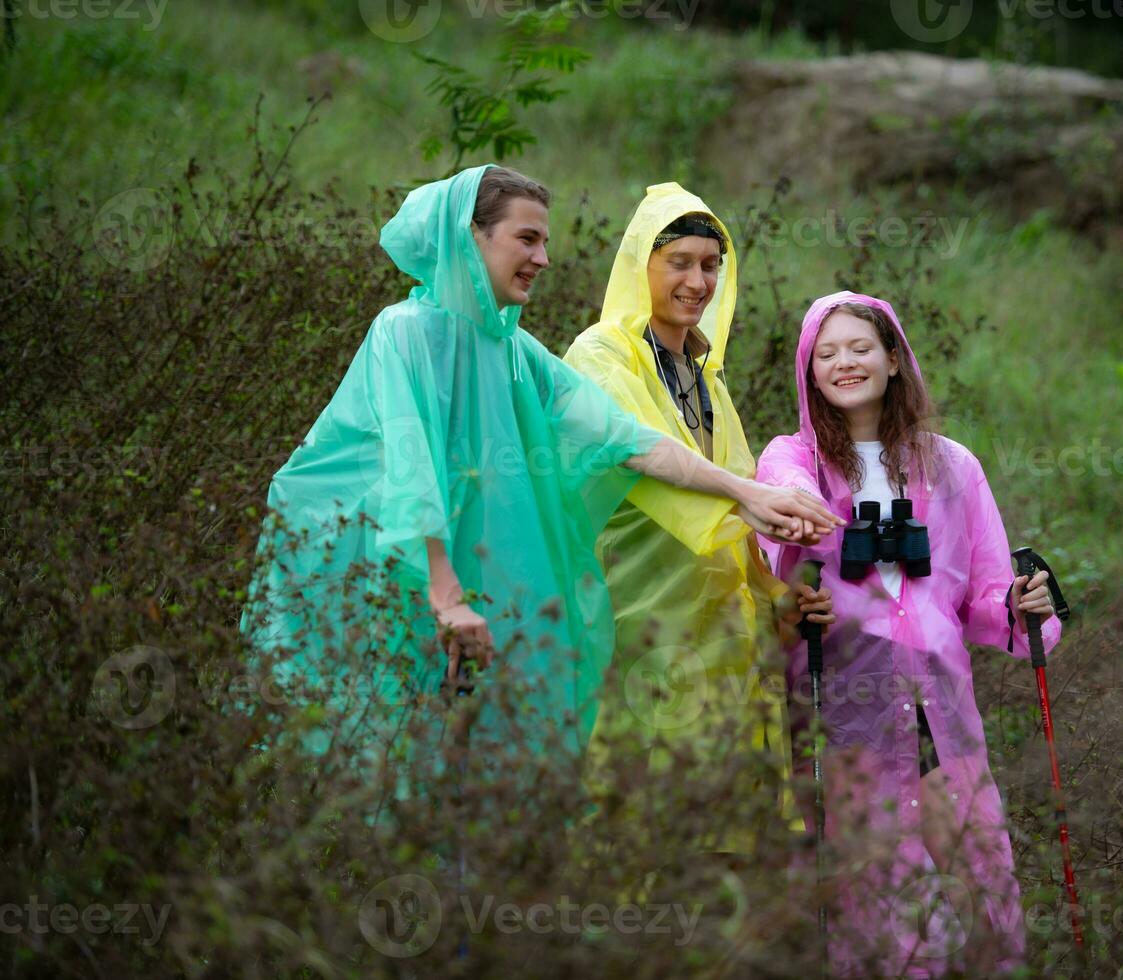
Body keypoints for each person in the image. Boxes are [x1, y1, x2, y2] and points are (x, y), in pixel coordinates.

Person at [238, 165, 838, 809]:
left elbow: (626, 438)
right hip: (392, 571)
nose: (543, 258)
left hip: (462, 584)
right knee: (381, 762)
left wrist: (743, 493)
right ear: (471, 238)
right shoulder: (407, 332)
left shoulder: (517, 353)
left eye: (545, 242)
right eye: (526, 239)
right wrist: (444, 597)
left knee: (465, 776)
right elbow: (412, 471)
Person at [755, 291, 1061, 976]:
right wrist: (805, 525)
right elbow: (776, 519)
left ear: (894, 358)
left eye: (859, 347)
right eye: (825, 353)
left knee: (976, 873)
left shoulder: (953, 467)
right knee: (871, 891)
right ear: (809, 373)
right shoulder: (791, 459)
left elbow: (983, 599)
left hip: (939, 707)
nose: (844, 363)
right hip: (846, 709)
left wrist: (1023, 605)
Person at [563, 183, 834, 857]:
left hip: (722, 637)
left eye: (711, 264)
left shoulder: (706, 377)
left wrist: (777, 593)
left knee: (723, 828)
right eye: (679, 261)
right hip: (639, 620)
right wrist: (748, 495)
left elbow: (736, 518)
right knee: (643, 806)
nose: (698, 280)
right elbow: (638, 450)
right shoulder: (600, 355)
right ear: (640, 266)